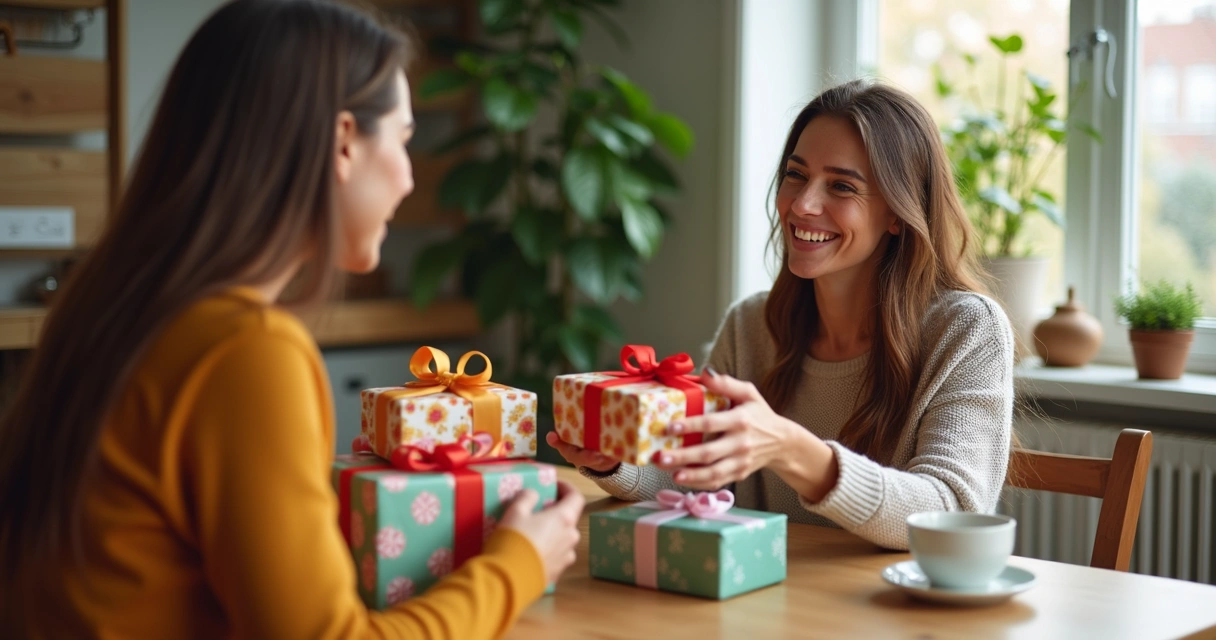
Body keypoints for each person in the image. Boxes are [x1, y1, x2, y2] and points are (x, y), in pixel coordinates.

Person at [0, 1, 583, 637]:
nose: (411, 180)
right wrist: (518, 563)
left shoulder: (107, 310)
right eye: (404, 140)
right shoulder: (246, 352)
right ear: (342, 143)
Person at [548, 79, 1014, 551]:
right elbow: (698, 476)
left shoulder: (966, 330)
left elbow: (953, 513)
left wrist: (792, 449)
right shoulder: (751, 326)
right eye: (796, 175)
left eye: (841, 186)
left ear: (897, 212)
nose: (803, 204)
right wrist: (616, 463)